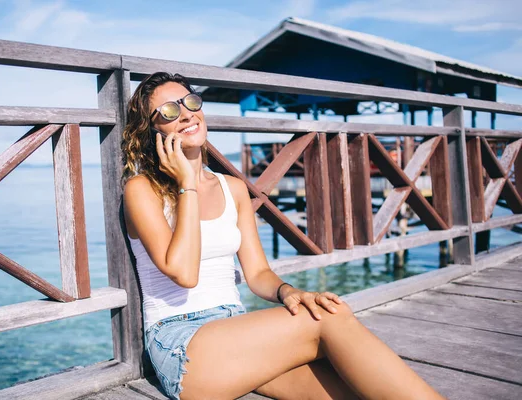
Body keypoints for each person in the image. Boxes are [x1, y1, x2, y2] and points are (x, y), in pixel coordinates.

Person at [122, 72, 445, 400]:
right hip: (183, 346)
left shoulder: (232, 188)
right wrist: (186, 184)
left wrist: (289, 292)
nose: (187, 113)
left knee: (351, 389)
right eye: (170, 111)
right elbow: (184, 273)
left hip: (238, 333)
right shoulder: (141, 190)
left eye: (190, 102)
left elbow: (258, 273)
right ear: (151, 129)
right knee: (330, 318)